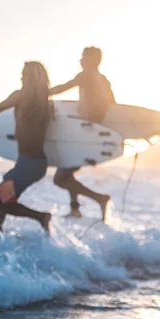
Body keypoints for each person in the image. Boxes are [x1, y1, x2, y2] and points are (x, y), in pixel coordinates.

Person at [0, 61, 54, 235]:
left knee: (1, 201)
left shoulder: (21, 96)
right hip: (34, 163)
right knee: (3, 192)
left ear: (30, 76)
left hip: (30, 163)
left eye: (24, 73)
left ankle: (41, 217)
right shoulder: (44, 100)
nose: (21, 76)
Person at [47, 47, 113, 219]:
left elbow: (63, 87)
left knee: (60, 178)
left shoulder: (86, 75)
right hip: (92, 133)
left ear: (93, 60)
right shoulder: (104, 80)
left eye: (84, 57)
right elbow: (113, 106)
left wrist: (41, 93)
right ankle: (75, 209)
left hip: (84, 134)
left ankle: (100, 198)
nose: (80, 60)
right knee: (66, 172)